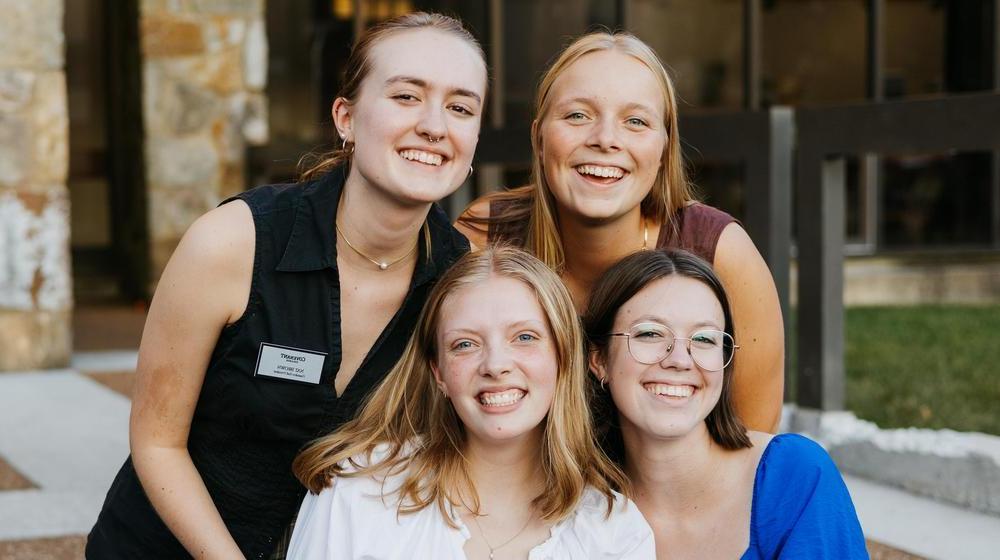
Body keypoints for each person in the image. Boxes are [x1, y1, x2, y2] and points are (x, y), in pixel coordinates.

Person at [86, 12, 487, 559]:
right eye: (406, 97)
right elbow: (158, 443)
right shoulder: (232, 243)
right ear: (345, 116)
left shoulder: (459, 279)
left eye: (460, 107)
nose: (435, 126)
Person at [457, 31, 783, 433]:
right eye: (578, 115)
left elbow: (753, 439)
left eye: (635, 121)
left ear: (664, 149)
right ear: (538, 138)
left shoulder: (718, 251)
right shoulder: (486, 235)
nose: (606, 140)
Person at [288, 247, 654, 559]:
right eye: (465, 344)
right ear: (439, 373)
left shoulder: (614, 533)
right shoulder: (358, 493)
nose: (495, 365)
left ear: (563, 358)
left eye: (524, 337)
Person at [584, 249, 867, 559]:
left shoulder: (793, 476)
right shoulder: (577, 510)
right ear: (599, 359)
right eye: (650, 333)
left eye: (704, 338)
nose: (679, 360)